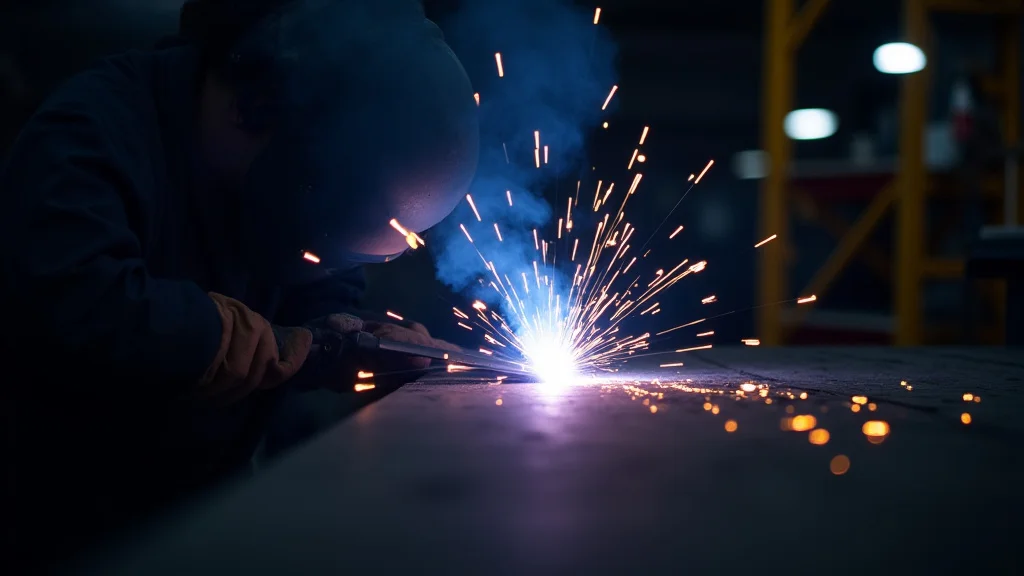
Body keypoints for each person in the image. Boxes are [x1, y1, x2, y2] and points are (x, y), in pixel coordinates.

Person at [0, 0, 479, 570]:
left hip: (199, 519)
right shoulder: (84, 138)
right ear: (252, 108)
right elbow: (80, 300)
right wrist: (207, 334)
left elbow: (314, 278)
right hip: (54, 529)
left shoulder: (295, 180)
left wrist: (345, 337)